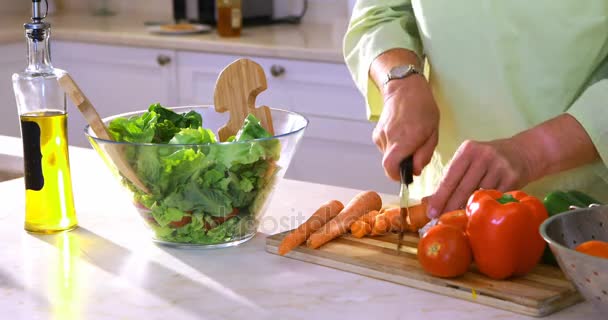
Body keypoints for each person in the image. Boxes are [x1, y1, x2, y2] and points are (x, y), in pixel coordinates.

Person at [343, 1, 608, 218]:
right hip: (439, 212)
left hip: (580, 224)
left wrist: (531, 152)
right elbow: (381, 13)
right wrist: (400, 82)